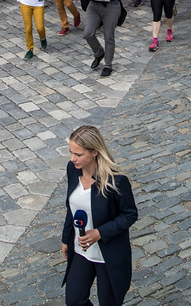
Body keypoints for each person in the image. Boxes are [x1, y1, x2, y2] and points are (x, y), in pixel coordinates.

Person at [61, 125, 137, 306]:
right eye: (71, 152)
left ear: (94, 152)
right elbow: (72, 209)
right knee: (74, 300)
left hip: (108, 254)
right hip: (82, 250)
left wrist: (100, 232)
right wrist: (66, 239)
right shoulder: (73, 170)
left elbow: (130, 214)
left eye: (78, 155)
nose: (73, 159)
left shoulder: (115, 181)